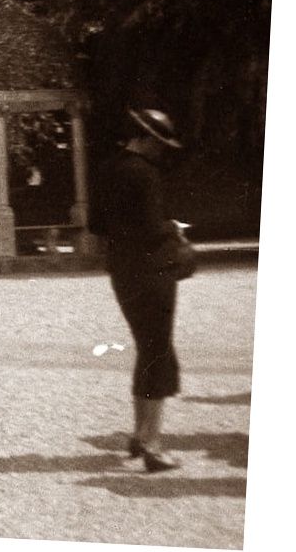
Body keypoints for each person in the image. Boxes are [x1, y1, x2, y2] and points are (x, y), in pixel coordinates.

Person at [88, 107, 186, 473]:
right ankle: (152, 444)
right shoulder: (146, 174)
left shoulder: (107, 169)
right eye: (158, 142)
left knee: (148, 349)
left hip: (123, 272)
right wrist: (173, 227)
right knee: (158, 352)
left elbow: (95, 224)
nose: (162, 150)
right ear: (144, 138)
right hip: (153, 271)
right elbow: (151, 227)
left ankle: (138, 433)